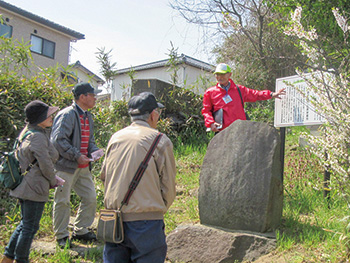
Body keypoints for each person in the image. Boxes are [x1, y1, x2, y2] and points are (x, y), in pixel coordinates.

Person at [100, 92, 176, 263]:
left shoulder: (115, 137)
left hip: (113, 220)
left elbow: (104, 176)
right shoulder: (159, 140)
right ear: (153, 114)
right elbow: (169, 185)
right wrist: (159, 208)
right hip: (147, 221)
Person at [2, 100, 63, 263]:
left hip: (24, 185)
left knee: (25, 224)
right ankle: (21, 259)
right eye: (48, 114)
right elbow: (45, 163)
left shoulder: (28, 131)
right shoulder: (37, 137)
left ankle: (8, 257)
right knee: (30, 227)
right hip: (33, 187)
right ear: (39, 117)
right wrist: (53, 180)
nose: (51, 117)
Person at [50, 82, 102, 249]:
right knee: (62, 201)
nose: (95, 98)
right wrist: (77, 155)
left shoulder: (87, 116)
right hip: (66, 167)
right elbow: (58, 140)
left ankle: (80, 229)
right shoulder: (67, 115)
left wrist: (94, 152)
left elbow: (90, 141)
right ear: (82, 97)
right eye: (92, 95)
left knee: (90, 197)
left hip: (83, 167)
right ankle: (62, 235)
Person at [202, 63, 286, 132]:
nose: (220, 77)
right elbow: (206, 110)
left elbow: (255, 94)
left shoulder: (239, 89)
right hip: (222, 132)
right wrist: (211, 123)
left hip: (241, 130)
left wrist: (271, 94)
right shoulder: (210, 92)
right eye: (217, 74)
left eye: (223, 74)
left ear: (229, 74)